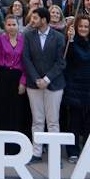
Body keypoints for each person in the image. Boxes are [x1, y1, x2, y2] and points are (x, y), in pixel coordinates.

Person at [62, 14, 90, 158]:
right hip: (74, 87)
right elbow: (67, 58)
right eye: (80, 26)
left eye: (86, 26)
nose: (83, 29)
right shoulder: (70, 42)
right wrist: (70, 40)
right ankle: (73, 151)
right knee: (74, 122)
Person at [21, 13, 66, 147]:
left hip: (54, 84)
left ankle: (54, 152)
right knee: (37, 120)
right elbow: (26, 59)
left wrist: (46, 79)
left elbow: (61, 62)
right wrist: (36, 79)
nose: (32, 20)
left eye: (35, 18)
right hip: (34, 84)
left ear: (44, 20)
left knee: (53, 121)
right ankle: (36, 151)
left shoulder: (59, 37)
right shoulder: (28, 35)